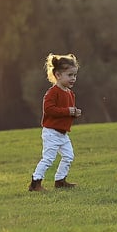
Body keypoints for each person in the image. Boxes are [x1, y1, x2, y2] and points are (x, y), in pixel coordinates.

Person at [28, 53, 82, 192]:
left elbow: (65, 112)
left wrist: (74, 113)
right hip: (51, 132)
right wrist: (67, 111)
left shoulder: (70, 94)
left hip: (63, 134)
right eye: (70, 75)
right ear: (58, 75)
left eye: (75, 75)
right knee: (48, 159)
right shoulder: (52, 93)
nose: (73, 78)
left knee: (69, 156)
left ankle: (60, 181)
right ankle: (35, 183)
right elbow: (49, 110)